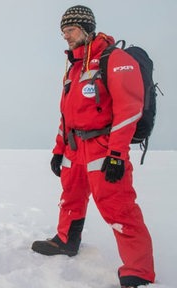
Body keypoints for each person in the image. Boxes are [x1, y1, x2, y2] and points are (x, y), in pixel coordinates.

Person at [31, 5, 155, 288]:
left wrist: (116, 154)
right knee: (71, 196)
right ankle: (66, 240)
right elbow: (66, 116)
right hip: (75, 146)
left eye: (70, 30)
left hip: (103, 145)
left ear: (86, 28)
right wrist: (58, 150)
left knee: (118, 205)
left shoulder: (115, 59)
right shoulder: (74, 68)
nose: (66, 36)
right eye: (63, 31)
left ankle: (139, 270)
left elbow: (129, 110)